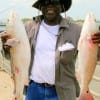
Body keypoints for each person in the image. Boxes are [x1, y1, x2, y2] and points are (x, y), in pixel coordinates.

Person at [1, 0, 100, 100]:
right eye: (46, 2)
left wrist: (98, 45)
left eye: (55, 1)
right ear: (40, 7)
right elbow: (10, 56)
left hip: (64, 92)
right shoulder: (26, 28)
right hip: (34, 90)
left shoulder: (77, 30)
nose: (50, 5)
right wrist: (6, 47)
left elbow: (93, 58)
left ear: (62, 6)